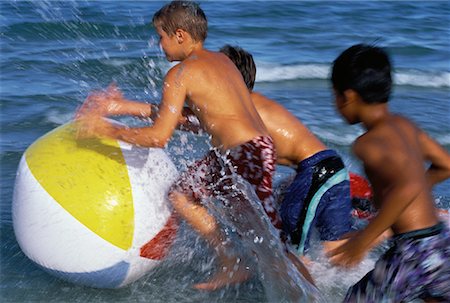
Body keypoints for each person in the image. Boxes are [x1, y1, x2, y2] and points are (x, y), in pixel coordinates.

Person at [75, 1, 312, 291]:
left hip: (241, 155)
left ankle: (297, 289)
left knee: (269, 242)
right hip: (254, 149)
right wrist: (118, 106)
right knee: (187, 197)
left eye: (161, 36)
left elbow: (158, 137)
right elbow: (193, 119)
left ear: (179, 35)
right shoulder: (222, 63)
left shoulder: (179, 74)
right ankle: (233, 260)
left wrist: (105, 129)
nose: (159, 45)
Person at [327, 44, 450, 302]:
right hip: (440, 243)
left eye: (335, 96)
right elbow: (445, 165)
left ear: (348, 96)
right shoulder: (405, 125)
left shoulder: (367, 143)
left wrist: (363, 240)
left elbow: (405, 187)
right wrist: (413, 192)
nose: (335, 104)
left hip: (411, 251)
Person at [218, 45, 353, 256]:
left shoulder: (242, 108)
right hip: (331, 167)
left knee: (293, 253)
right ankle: (381, 233)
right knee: (335, 251)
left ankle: (381, 230)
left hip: (315, 173)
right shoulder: (255, 102)